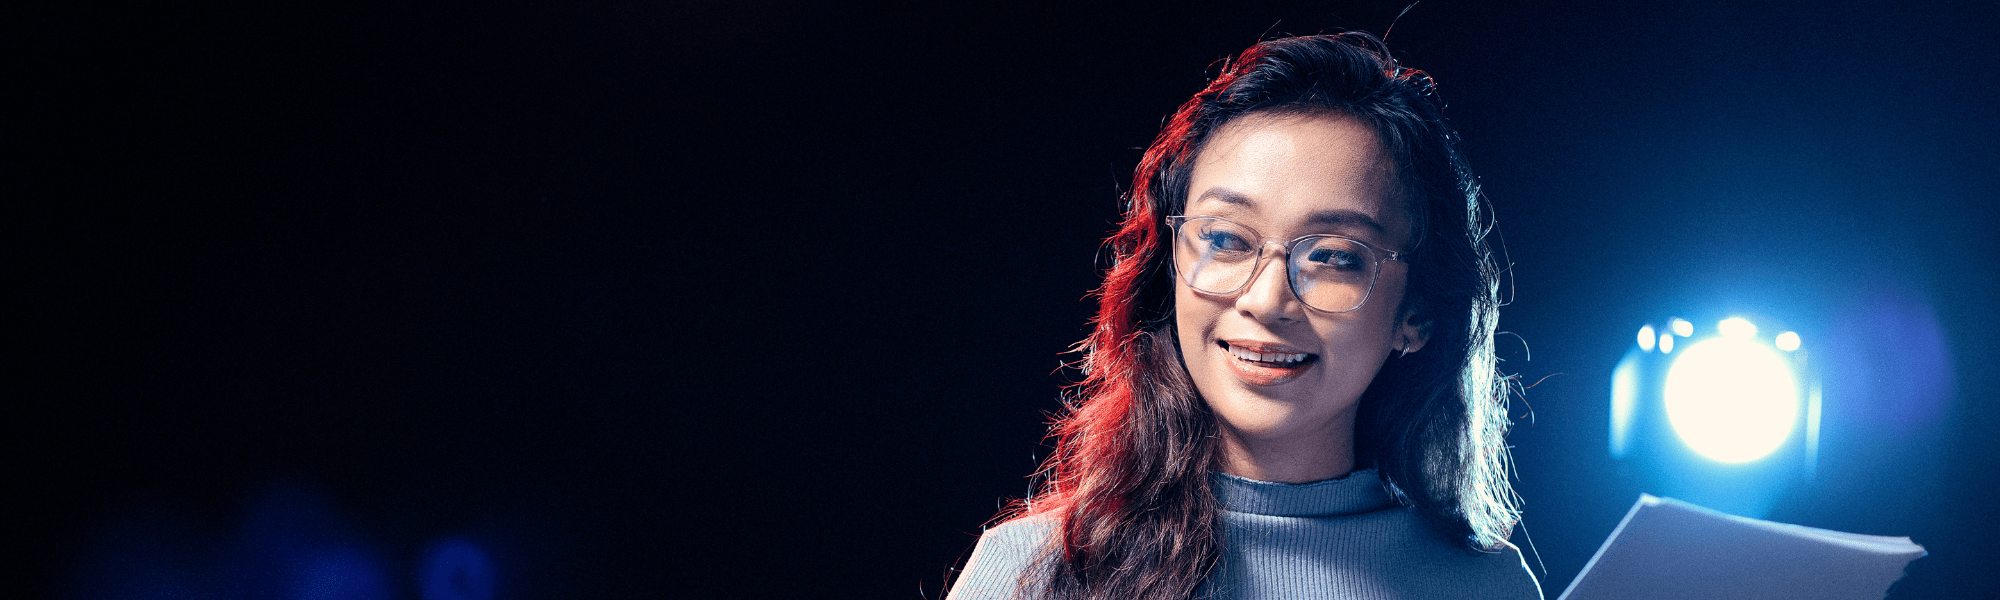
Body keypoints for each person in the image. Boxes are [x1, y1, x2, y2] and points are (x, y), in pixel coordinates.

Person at [947, 32, 1539, 600]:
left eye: (1333, 256)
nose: (1266, 300)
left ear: (1416, 315)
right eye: (1227, 239)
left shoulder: (1488, 588)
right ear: (1171, 266)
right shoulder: (1034, 574)